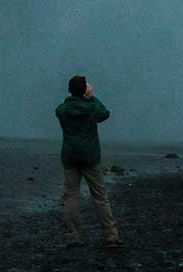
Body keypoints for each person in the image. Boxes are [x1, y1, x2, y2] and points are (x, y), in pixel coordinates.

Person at [55, 75, 120, 247]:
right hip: (90, 158)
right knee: (100, 197)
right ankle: (111, 235)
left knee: (71, 197)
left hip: (70, 157)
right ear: (85, 90)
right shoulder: (91, 108)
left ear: (70, 90)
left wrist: (77, 96)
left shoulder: (62, 110)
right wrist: (92, 97)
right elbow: (104, 113)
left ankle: (72, 236)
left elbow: (61, 108)